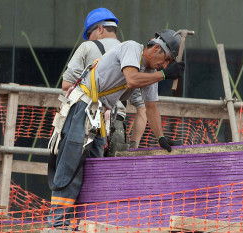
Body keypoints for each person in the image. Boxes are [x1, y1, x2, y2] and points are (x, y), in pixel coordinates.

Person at [47, 28, 185, 230]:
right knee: (70, 166)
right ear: (156, 48)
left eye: (168, 64)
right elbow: (131, 79)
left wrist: (161, 137)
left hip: (97, 115)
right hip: (81, 108)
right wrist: (164, 74)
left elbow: (151, 107)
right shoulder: (132, 49)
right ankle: (57, 225)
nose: (164, 66)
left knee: (96, 169)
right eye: (166, 60)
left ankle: (81, 223)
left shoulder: (150, 73)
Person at [62, 8, 147, 153]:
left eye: (89, 34)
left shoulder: (87, 47)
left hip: (87, 121)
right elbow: (142, 109)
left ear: (100, 29)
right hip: (117, 127)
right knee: (109, 174)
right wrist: (133, 146)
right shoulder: (132, 55)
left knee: (82, 171)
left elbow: (67, 84)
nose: (88, 39)